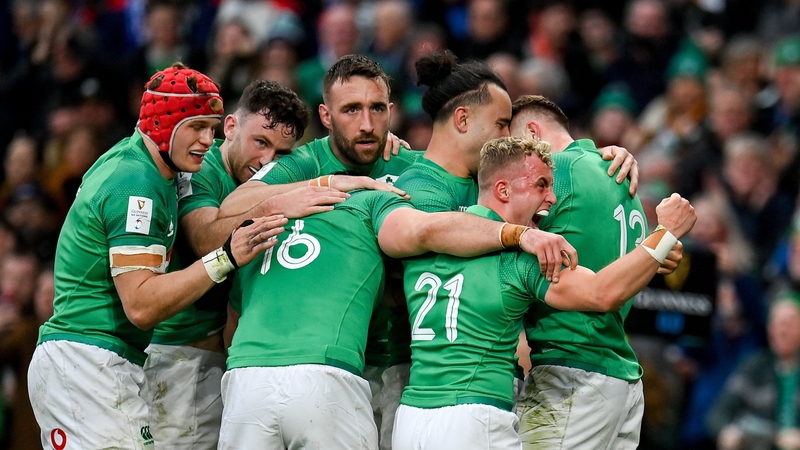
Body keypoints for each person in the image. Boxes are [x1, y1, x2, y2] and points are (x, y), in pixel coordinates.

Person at [27, 63, 286, 449]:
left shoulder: (147, 161)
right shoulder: (137, 186)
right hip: (87, 363)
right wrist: (225, 257)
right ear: (165, 125)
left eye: (213, 129)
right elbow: (141, 305)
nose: (207, 141)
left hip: (97, 359)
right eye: (197, 127)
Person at [393, 136, 695, 450]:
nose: (552, 198)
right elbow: (603, 293)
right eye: (541, 185)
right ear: (504, 189)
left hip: (410, 417)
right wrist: (663, 234)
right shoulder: (522, 259)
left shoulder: (424, 236)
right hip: (475, 415)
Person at [142, 79, 328, 448]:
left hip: (231, 361)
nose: (266, 162)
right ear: (229, 127)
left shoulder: (279, 177)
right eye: (260, 142)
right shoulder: (200, 170)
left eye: (281, 153)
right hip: (183, 358)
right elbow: (205, 241)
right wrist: (277, 204)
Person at [510, 95, 658, 449]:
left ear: (533, 132)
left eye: (513, 147)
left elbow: (486, 212)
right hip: (620, 376)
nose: (511, 163)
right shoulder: (620, 178)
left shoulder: (556, 171)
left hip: (570, 371)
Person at [708, 292, 800, 450]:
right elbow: (717, 415)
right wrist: (726, 432)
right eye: (777, 323)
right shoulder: (753, 366)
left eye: (790, 323)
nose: (783, 330)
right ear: (769, 330)